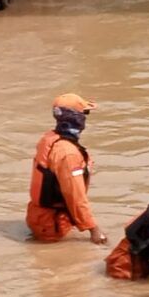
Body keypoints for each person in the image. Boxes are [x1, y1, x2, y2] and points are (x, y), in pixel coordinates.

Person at [26, 93, 107, 244]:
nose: (86, 118)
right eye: (85, 114)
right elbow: (75, 195)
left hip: (40, 218)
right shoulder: (68, 154)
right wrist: (93, 230)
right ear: (76, 118)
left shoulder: (49, 139)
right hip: (53, 225)